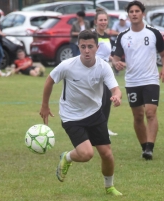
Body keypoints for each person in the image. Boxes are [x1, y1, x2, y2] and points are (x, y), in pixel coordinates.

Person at [39, 30, 123, 196]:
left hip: (94, 113)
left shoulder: (103, 66)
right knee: (86, 154)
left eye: (90, 47)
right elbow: (49, 80)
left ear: (97, 48)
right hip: (72, 116)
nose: (86, 50)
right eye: (83, 46)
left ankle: (109, 187)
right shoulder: (68, 65)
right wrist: (44, 106)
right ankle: (67, 157)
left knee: (107, 154)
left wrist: (117, 97)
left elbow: (116, 88)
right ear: (78, 46)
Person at [112, 1, 164, 160]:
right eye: (131, 11)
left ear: (142, 14)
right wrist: (117, 63)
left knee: (150, 113)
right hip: (132, 81)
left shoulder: (153, 33)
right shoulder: (123, 36)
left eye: (137, 11)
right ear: (128, 15)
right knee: (138, 116)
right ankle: (144, 147)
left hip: (151, 79)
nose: (134, 14)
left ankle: (150, 148)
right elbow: (115, 58)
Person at [93, 8, 117, 136]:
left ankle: (104, 128)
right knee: (98, 101)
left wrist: (114, 61)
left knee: (107, 100)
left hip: (107, 71)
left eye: (105, 20)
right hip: (96, 71)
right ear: (95, 22)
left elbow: (106, 55)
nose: (103, 22)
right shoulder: (93, 36)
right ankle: (95, 128)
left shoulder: (107, 36)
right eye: (100, 20)